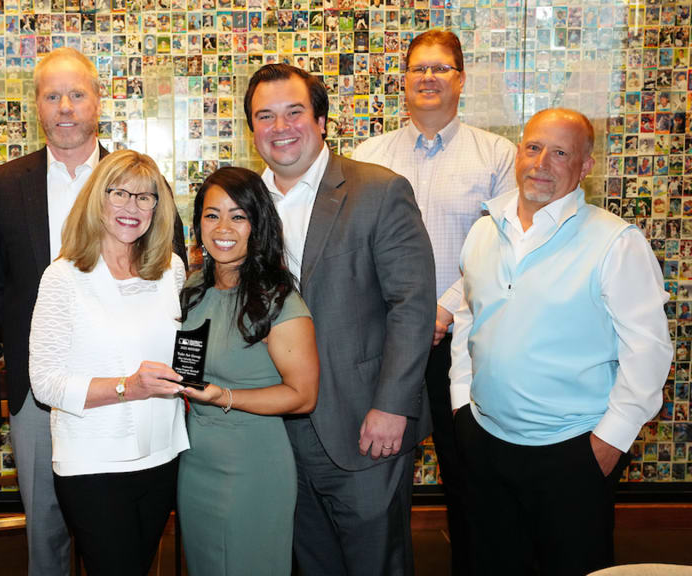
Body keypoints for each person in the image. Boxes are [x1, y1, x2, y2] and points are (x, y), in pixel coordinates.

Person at [0, 47, 185, 575]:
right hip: (43, 384)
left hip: (136, 387)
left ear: (97, 101)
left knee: (124, 531)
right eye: (51, 95)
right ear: (37, 107)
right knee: (45, 523)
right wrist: (46, 341)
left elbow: (169, 263)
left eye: (76, 94)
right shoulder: (4, 184)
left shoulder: (137, 182)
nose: (64, 106)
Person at [450, 108, 672, 575]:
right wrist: (459, 403)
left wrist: (611, 441)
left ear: (585, 166)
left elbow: (648, 351)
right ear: (518, 152)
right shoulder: (484, 229)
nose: (541, 163)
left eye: (560, 153)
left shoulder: (616, 242)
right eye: (533, 148)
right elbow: (469, 316)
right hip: (486, 442)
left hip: (573, 450)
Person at [244, 63, 435, 575]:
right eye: (265, 116)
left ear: (322, 120)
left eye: (293, 112)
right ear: (252, 130)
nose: (280, 127)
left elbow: (412, 306)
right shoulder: (244, 205)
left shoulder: (378, 191)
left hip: (362, 425)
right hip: (275, 433)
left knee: (376, 564)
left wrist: (394, 406)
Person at [351, 29, 516, 575]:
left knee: (468, 472)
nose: (428, 77)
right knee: (381, 468)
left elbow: (501, 248)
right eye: (418, 68)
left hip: (461, 342)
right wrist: (406, 319)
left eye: (441, 68)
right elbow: (356, 249)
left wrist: (442, 310)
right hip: (385, 341)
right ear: (404, 80)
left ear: (461, 79)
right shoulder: (367, 157)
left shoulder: (496, 156)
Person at [28, 149, 189, 575]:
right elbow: (45, 382)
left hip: (162, 454)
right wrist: (127, 387)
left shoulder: (169, 269)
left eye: (145, 197)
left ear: (158, 207)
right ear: (98, 198)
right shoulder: (63, 276)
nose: (132, 207)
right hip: (93, 462)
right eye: (120, 193)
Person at [176, 166, 319, 575]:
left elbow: (304, 395)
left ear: (258, 225)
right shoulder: (191, 291)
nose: (223, 227)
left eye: (238, 216)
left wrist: (226, 397)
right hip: (195, 463)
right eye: (212, 214)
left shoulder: (279, 300)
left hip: (253, 465)